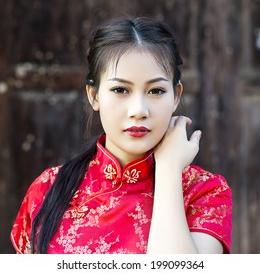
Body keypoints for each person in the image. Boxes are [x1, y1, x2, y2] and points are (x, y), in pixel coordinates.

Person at [10, 16, 232, 254]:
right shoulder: (48, 188)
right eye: (120, 90)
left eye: (156, 90)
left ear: (176, 96)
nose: (139, 110)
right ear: (94, 96)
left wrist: (169, 169)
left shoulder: (205, 191)